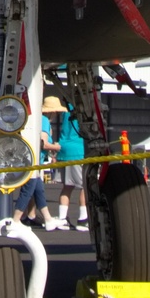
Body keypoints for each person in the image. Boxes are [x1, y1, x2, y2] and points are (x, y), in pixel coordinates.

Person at [42, 96, 88, 231]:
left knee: (67, 187)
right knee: (84, 186)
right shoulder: (83, 111)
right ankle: (83, 219)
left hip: (63, 149)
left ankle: (63, 218)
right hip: (78, 151)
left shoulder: (67, 112)